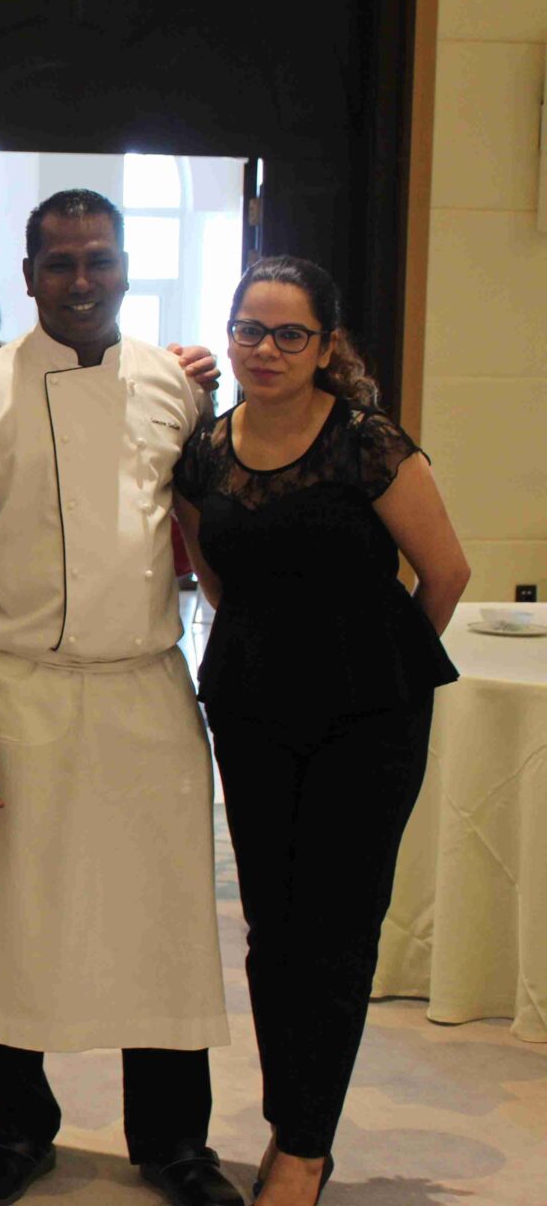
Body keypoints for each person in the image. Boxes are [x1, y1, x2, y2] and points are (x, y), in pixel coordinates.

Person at [0, 189, 242, 1206]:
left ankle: (173, 1141)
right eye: (61, 263)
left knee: (161, 922)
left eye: (100, 259)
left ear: (126, 266)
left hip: (144, 689)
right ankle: (17, 1125)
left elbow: (208, 530)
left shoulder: (173, 388)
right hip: (15, 691)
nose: (83, 280)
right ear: (29, 276)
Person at [172, 256, 468, 1206]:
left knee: (335, 930)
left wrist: (381, 666)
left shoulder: (367, 443)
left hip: (366, 716)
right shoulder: (207, 450)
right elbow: (212, 570)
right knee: (272, 929)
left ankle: (304, 1148)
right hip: (254, 705)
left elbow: (446, 573)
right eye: (250, 330)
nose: (266, 350)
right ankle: (288, 1116)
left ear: (326, 345)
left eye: (290, 334)